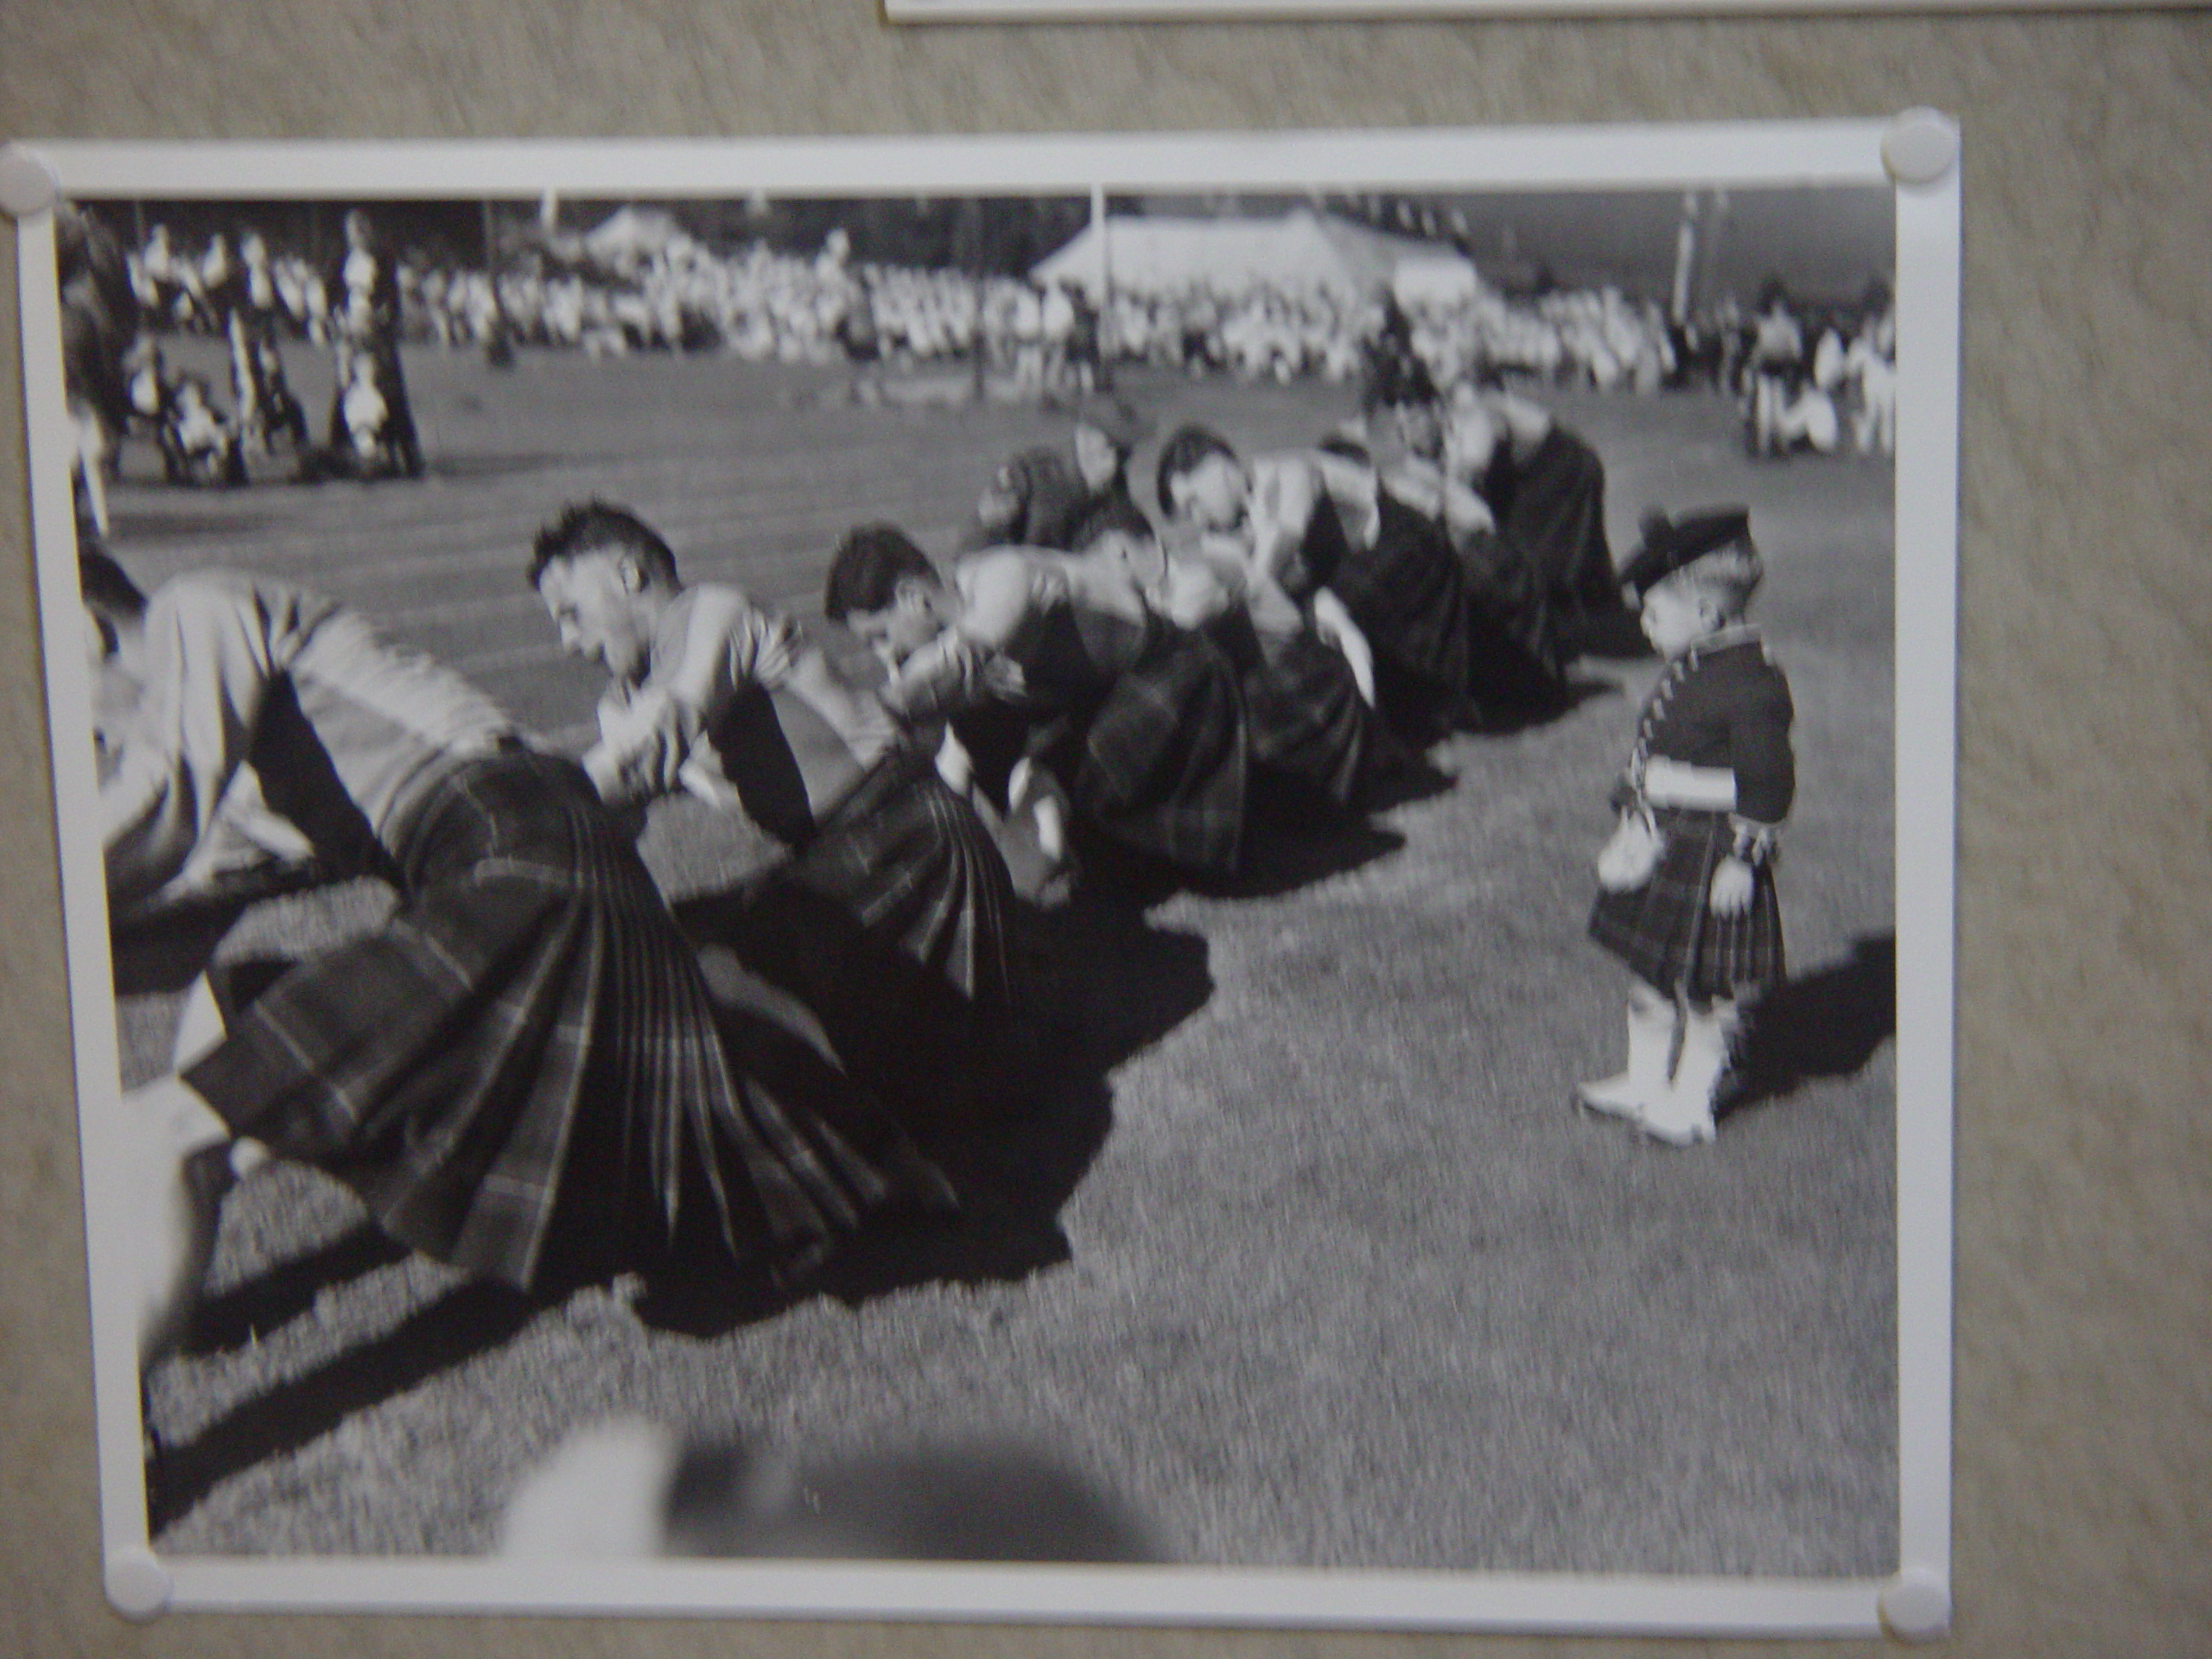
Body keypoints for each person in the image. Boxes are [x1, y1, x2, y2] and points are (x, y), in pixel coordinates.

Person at [86, 546, 949, 1370]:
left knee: (155, 1128)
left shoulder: (191, 610)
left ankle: (117, 1427)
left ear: (83, 629)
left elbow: (157, 799)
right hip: (542, 849)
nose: (98, 755)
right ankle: (875, 1164)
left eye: (84, 730)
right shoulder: (236, 752)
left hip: (509, 850)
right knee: (227, 1007)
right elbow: (176, 915)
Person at [529, 502, 1025, 1135]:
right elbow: (617, 812)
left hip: (912, 837)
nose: (568, 643)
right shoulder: (625, 698)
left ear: (629, 577)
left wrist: (517, 806)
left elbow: (657, 733)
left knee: (712, 970)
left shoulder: (714, 613)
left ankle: (850, 1139)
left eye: (571, 614)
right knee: (671, 947)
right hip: (842, 858)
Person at [824, 526, 1249, 882]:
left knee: (1074, 771)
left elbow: (967, 650)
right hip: (1100, 696)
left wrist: (876, 713)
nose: (885, 655)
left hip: (1178, 673)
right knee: (974, 739)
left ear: (913, 596)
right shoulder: (958, 634)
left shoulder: (1000, 574)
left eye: (881, 636)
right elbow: (954, 757)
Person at [1578, 508, 1795, 1147]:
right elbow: (1654, 753)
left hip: (1709, 855)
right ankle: (1646, 1080)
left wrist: (1743, 860)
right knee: (1647, 973)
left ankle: (1692, 1101)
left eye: (1653, 614)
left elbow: (1769, 782)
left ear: (1704, 614)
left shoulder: (1753, 683)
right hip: (1664, 845)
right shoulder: (1696, 663)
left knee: (1706, 992)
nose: (1642, 626)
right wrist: (1632, 810)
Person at [326, 208, 424, 477]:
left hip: (378, 335)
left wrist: (379, 318)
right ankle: (342, 453)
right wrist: (340, 319)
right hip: (349, 333)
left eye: (363, 230)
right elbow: (331, 297)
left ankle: (405, 453)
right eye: (353, 231)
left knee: (389, 392)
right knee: (346, 390)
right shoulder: (339, 261)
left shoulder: (384, 260)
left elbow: (392, 300)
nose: (358, 236)